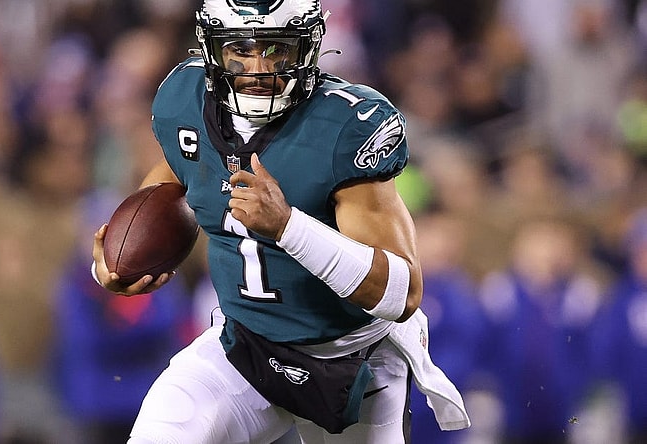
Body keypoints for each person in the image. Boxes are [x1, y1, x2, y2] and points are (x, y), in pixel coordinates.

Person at [91, 1, 470, 442]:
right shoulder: (185, 99)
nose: (257, 68)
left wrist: (289, 227)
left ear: (307, 47)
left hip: (354, 359)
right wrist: (124, 262)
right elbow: (174, 179)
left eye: (275, 49)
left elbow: (401, 293)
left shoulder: (344, 126)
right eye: (240, 50)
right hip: (243, 346)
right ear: (212, 49)